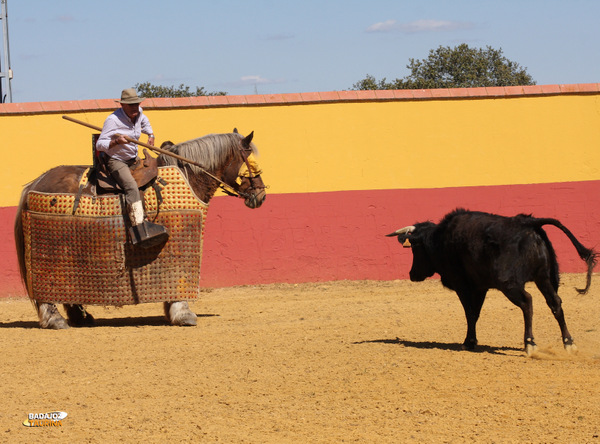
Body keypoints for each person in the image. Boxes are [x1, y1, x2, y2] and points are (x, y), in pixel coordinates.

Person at [96, 88, 168, 247]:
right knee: (132, 188)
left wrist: (151, 134)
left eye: (136, 104)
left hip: (133, 157)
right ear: (122, 105)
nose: (135, 108)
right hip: (116, 160)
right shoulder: (112, 120)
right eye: (131, 105)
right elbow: (100, 144)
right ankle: (139, 228)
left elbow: (145, 122)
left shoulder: (139, 113)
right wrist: (116, 142)